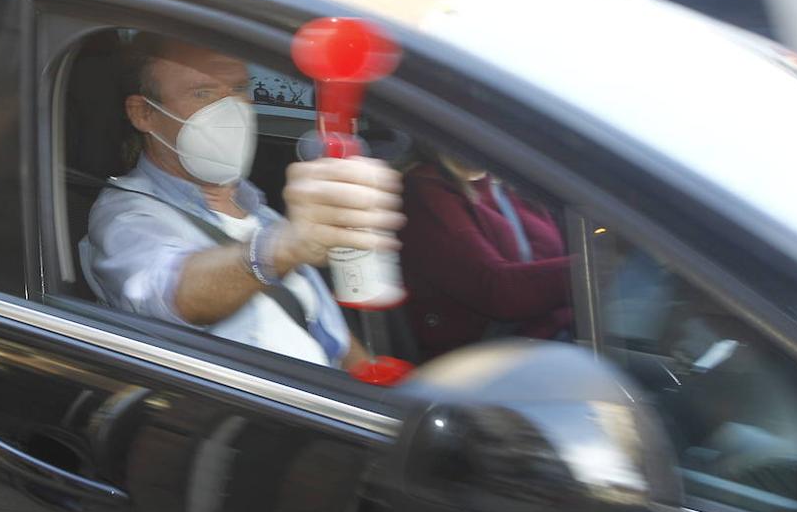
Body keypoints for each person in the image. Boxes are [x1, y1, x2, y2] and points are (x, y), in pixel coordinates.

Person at [80, 33, 405, 371]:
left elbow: (319, 322)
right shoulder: (125, 214)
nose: (230, 110)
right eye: (202, 93)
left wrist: (369, 377)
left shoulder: (255, 207)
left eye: (238, 90)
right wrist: (281, 249)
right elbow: (172, 293)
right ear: (143, 113)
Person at [399, 153, 572, 360]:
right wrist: (592, 269)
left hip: (559, 343)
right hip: (492, 365)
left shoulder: (514, 184)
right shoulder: (425, 191)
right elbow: (498, 291)